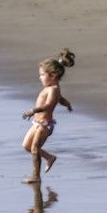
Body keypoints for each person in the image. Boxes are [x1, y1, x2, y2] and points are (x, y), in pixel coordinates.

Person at [20, 49, 75, 183]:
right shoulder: (52, 88)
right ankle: (49, 157)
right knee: (26, 146)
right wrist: (66, 103)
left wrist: (33, 110)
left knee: (35, 148)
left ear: (53, 75)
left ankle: (36, 176)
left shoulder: (53, 89)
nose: (40, 77)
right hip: (37, 123)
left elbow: (50, 105)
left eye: (42, 74)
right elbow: (59, 99)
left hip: (45, 125)